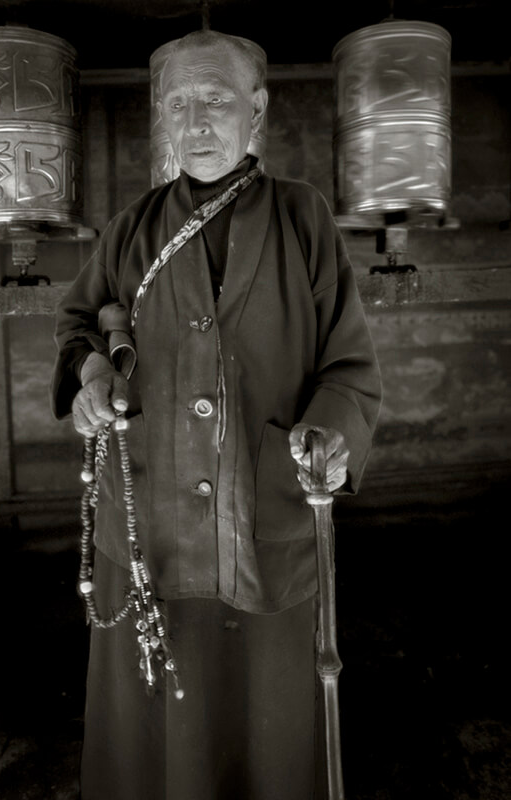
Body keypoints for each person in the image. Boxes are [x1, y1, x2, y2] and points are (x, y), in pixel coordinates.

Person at [52, 28, 382, 800]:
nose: (197, 119)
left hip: (261, 518)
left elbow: (351, 366)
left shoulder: (305, 221)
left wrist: (330, 429)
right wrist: (92, 372)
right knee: (151, 743)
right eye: (179, 102)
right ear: (163, 117)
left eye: (216, 99)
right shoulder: (130, 229)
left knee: (265, 736)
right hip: (148, 524)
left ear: (256, 111)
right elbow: (75, 331)